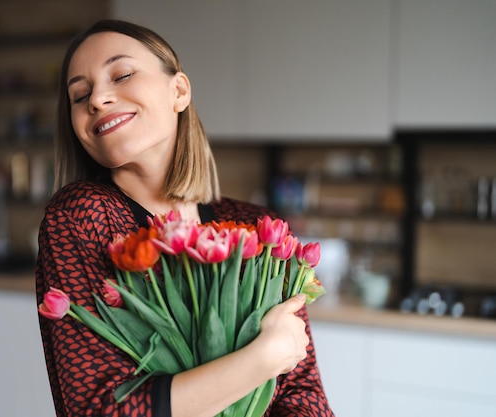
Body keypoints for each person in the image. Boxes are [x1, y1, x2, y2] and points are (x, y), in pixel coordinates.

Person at [36, 19, 334, 417]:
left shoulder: (256, 228)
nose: (97, 99)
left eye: (121, 74)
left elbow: (303, 397)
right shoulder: (80, 217)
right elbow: (99, 409)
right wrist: (260, 360)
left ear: (178, 91)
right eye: (80, 95)